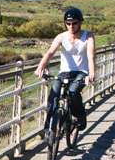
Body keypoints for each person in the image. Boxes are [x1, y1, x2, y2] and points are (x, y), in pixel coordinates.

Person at [34, 7, 96, 140]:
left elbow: (90, 56)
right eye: (68, 23)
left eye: (74, 23)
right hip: (65, 72)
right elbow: (50, 52)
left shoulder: (88, 36)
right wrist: (41, 66)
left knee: (73, 92)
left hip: (82, 72)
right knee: (54, 94)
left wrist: (91, 73)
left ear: (80, 23)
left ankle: (80, 116)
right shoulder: (61, 37)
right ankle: (49, 128)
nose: (71, 26)